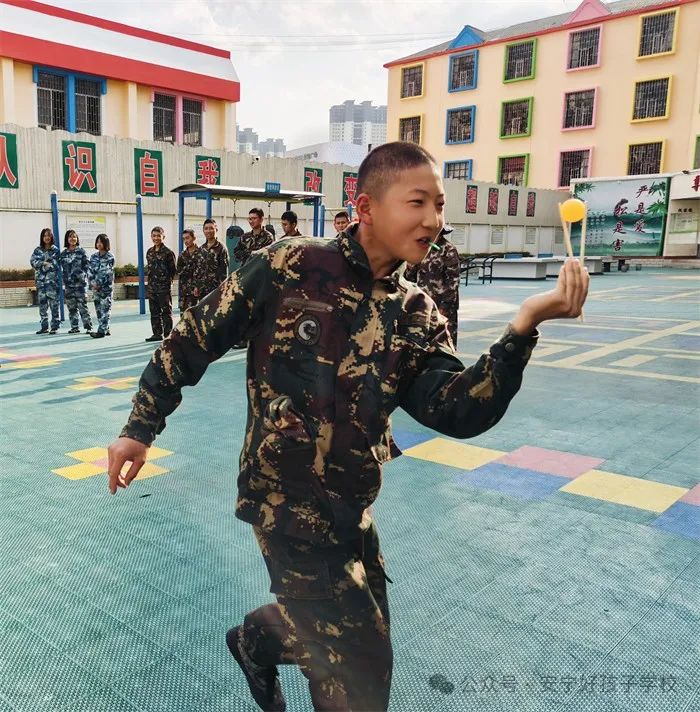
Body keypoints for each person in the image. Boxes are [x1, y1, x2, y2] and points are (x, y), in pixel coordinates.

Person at [106, 142, 589, 711]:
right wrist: (140, 426)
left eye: (439, 205)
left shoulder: (415, 312)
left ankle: (257, 640)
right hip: (284, 503)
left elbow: (457, 411)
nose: (433, 220)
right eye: (417, 203)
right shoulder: (290, 265)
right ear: (365, 207)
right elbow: (194, 336)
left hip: (351, 507)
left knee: (352, 633)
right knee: (360, 666)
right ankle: (271, 643)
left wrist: (524, 327)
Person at [404, 225, 461, 346]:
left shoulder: (448, 249)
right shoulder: (422, 248)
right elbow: (409, 277)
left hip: (441, 304)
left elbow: (453, 282)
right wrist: (410, 266)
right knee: (421, 340)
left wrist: (444, 307)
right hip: (422, 303)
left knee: (443, 341)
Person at [145, 226, 177, 342]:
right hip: (152, 288)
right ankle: (157, 334)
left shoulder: (168, 253)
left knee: (166, 312)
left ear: (163, 236)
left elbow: (173, 270)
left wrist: (166, 282)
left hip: (164, 288)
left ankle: (168, 335)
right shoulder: (149, 252)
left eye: (158, 236)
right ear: (151, 237)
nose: (156, 238)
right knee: (154, 312)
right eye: (154, 236)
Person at [59, 229, 93, 334]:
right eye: (70, 237)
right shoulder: (63, 254)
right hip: (69, 285)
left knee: (83, 307)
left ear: (77, 238)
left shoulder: (81, 252)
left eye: (74, 236)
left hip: (80, 285)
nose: (72, 238)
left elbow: (87, 266)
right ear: (67, 239)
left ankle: (88, 327)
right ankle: (74, 327)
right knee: (71, 307)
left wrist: (84, 277)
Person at [30, 228, 61, 334]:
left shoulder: (55, 250)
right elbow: (33, 262)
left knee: (54, 305)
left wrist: (43, 263)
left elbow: (55, 265)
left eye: (49, 235)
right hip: (41, 283)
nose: (47, 237)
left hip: (52, 283)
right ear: (42, 237)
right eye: (45, 235)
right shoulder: (37, 250)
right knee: (42, 306)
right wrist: (43, 263)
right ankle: (44, 327)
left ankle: (54, 327)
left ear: (51, 237)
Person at [194, 218, 229, 300]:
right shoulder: (201, 248)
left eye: (211, 228)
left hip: (215, 290)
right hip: (202, 290)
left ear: (216, 229)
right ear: (203, 231)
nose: (208, 231)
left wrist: (223, 288)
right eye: (206, 228)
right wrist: (196, 286)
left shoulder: (221, 248)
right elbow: (198, 269)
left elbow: (224, 271)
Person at [88, 234, 114, 338]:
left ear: (106, 243)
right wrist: (92, 283)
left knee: (105, 309)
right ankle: (105, 328)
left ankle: (101, 331)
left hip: (105, 288)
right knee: (98, 310)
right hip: (95, 288)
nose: (99, 244)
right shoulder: (93, 257)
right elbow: (90, 271)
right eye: (97, 242)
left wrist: (99, 284)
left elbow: (108, 273)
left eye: (101, 242)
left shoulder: (110, 257)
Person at [177, 228, 201, 311]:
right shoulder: (182, 255)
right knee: (184, 314)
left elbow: (203, 271)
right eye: (184, 239)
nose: (185, 241)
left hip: (197, 290)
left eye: (187, 238)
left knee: (196, 314)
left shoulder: (201, 253)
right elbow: (179, 271)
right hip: (184, 291)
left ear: (194, 238)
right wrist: (189, 267)